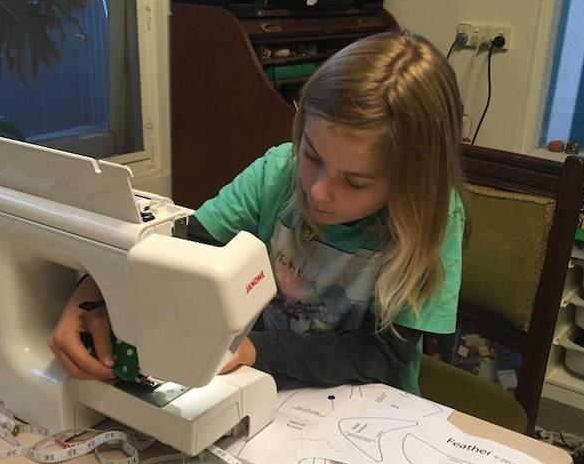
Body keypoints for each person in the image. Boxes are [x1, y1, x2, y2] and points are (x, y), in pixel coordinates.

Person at [48, 30, 468, 396]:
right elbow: (183, 245)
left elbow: (379, 355)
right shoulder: (278, 171)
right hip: (268, 384)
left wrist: (253, 350)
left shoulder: (433, 217)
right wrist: (90, 294)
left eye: (355, 182)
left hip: (369, 406)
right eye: (312, 155)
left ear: (413, 181)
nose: (318, 191)